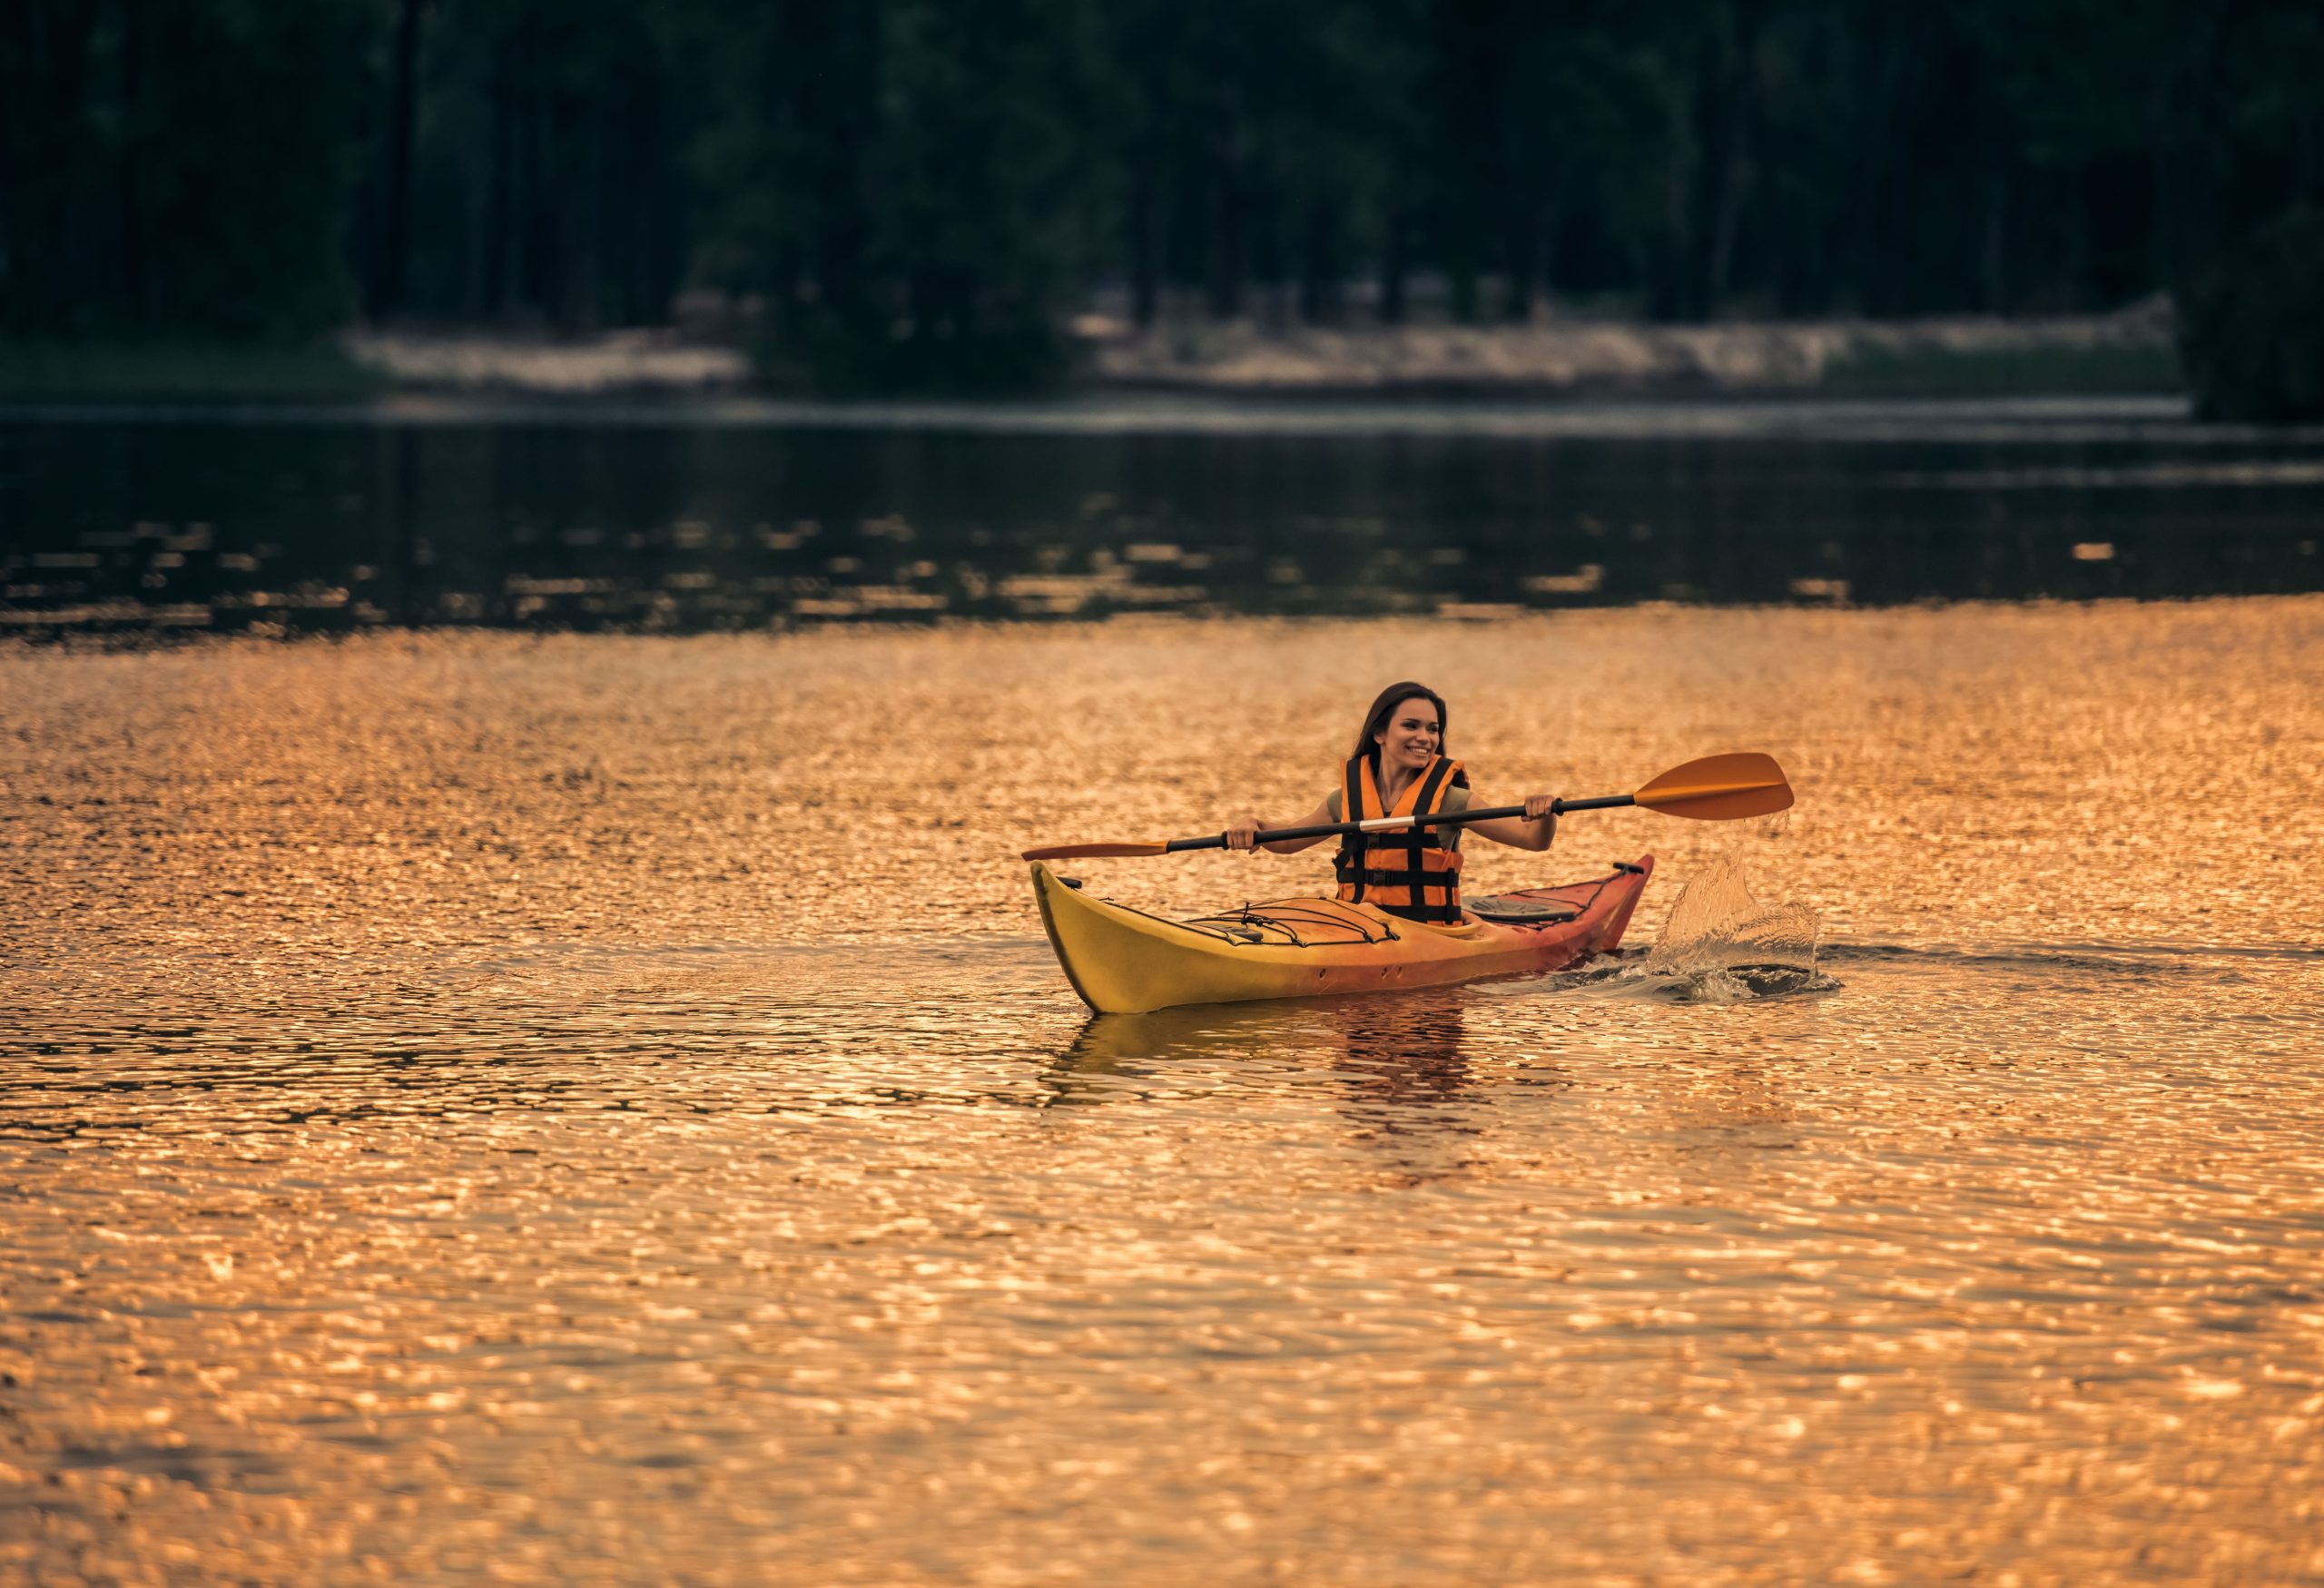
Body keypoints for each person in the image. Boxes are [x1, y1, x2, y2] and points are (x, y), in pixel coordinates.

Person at [1225, 681, 1558, 925]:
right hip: (1357, 928)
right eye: (1410, 726)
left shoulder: (1452, 801)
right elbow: (1287, 842)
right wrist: (1252, 824)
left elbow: (1533, 841)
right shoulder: (1346, 800)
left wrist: (1543, 813)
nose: (1425, 738)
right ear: (1379, 733)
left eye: (1433, 729)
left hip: (1430, 936)